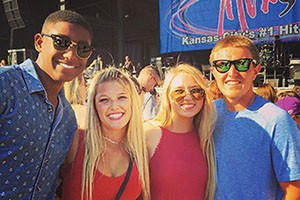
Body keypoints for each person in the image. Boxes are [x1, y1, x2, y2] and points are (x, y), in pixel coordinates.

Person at [0, 10, 93, 199]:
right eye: (61, 42)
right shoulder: (5, 85)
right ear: (40, 42)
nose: (70, 54)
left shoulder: (67, 118)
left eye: (83, 48)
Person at [209, 35, 300, 199]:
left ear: (256, 70)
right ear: (213, 71)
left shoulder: (276, 119)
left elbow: (293, 188)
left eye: (241, 64)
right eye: (222, 65)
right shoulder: (209, 113)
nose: (232, 73)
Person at [61, 67, 150, 200]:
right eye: (104, 100)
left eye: (122, 97)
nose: (114, 106)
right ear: (94, 105)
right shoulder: (76, 142)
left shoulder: (141, 149)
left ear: (133, 102)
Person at [145, 63, 216, 200]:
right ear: (167, 96)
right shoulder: (149, 133)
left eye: (196, 91)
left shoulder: (207, 137)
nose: (188, 97)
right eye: (179, 92)